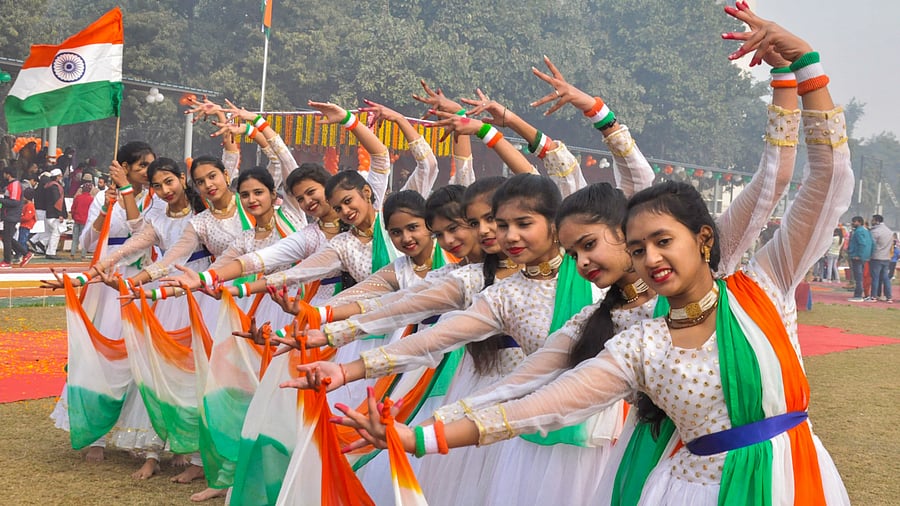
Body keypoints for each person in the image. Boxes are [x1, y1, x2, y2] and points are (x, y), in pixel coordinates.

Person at [335, 8, 853, 505]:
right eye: (636, 247)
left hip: (797, 479)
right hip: (681, 487)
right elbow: (535, 397)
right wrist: (423, 435)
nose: (649, 257)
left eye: (662, 241)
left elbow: (809, 182)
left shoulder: (761, 286)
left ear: (703, 238)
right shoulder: (634, 341)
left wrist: (800, 68)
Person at [1, 166, 29, 267]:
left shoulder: (15, 185)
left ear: (8, 174)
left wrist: (1, 199)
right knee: (6, 237)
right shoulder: (11, 185)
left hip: (11, 215)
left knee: (7, 239)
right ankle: (25, 253)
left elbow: (14, 202)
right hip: (8, 215)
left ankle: (7, 261)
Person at [43, 167, 68, 259]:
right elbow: (57, 201)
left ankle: (48, 250)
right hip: (54, 214)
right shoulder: (55, 187)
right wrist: (60, 214)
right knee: (56, 233)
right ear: (57, 177)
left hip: (49, 213)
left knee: (51, 233)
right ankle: (51, 252)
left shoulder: (47, 186)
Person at [847, 215, 873, 302]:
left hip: (857, 256)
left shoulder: (858, 231)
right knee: (860, 276)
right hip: (865, 256)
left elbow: (862, 244)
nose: (853, 223)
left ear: (859, 222)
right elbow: (873, 244)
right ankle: (860, 294)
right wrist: (869, 255)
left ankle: (858, 295)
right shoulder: (867, 231)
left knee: (858, 277)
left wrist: (859, 255)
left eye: (854, 222)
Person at [868, 214, 893, 302]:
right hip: (886, 257)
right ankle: (889, 297)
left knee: (875, 278)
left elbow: (871, 245)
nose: (872, 222)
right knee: (885, 278)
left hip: (876, 257)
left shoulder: (875, 231)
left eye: (873, 220)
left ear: (877, 221)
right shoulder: (889, 231)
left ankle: (873, 296)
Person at [69, 182, 93, 259]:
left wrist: (74, 216)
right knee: (85, 238)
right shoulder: (91, 199)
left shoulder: (78, 198)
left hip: (77, 220)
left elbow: (73, 208)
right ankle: (83, 255)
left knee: (75, 238)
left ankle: (72, 254)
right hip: (85, 221)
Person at [17, 187, 35, 265]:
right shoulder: (27, 205)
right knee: (21, 240)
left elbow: (28, 217)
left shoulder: (30, 205)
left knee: (22, 241)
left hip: (26, 225)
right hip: (23, 225)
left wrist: (18, 218)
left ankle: (23, 255)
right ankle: (22, 254)